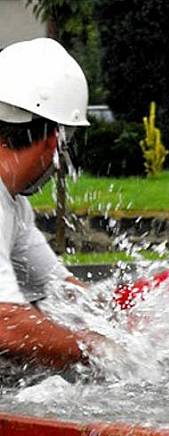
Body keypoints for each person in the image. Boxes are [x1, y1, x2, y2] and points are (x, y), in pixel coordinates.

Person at [0, 37, 101, 369]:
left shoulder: (13, 205)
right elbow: (8, 326)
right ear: (55, 139)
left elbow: (61, 290)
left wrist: (128, 312)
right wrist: (101, 351)